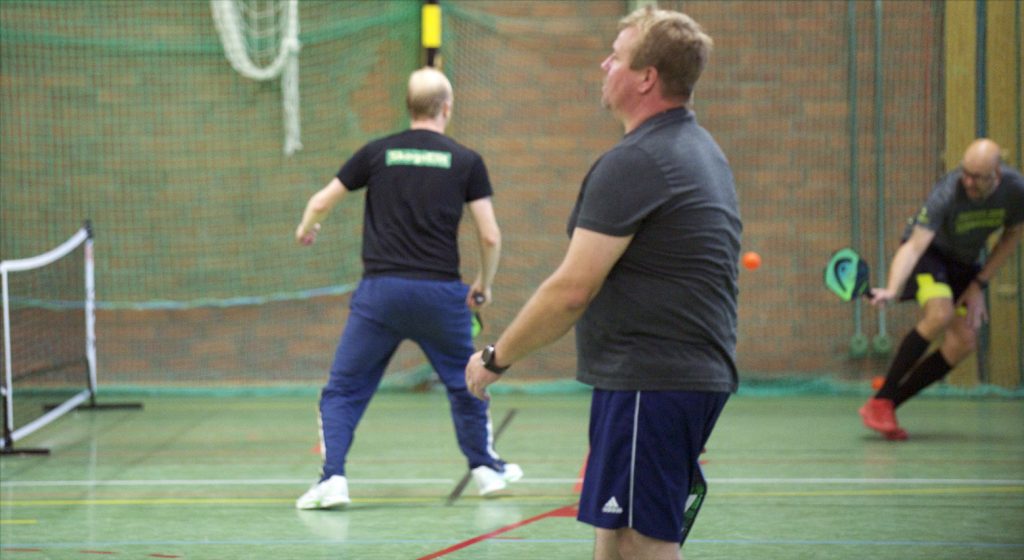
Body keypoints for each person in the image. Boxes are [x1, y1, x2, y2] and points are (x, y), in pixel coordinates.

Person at [465, 8, 740, 560]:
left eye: (616, 56)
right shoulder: (699, 148)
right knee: (613, 539)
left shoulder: (637, 161)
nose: (603, 64)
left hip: (653, 381)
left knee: (640, 542)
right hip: (668, 378)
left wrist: (497, 357)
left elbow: (572, 289)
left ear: (646, 78)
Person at [294, 67, 522, 510]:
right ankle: (486, 470)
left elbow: (320, 201)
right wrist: (484, 283)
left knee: (344, 389)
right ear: (447, 108)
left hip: (380, 295)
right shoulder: (466, 160)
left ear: (409, 106)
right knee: (468, 380)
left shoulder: (377, 153)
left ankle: (333, 479)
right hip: (441, 296)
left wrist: (307, 228)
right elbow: (490, 235)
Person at [860, 138, 1024, 440]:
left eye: (977, 177)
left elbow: (1011, 237)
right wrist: (892, 289)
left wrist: (978, 284)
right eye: (965, 173)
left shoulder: (1015, 192)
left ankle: (887, 403)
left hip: (964, 264)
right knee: (940, 313)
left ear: (997, 174)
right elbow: (913, 247)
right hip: (930, 255)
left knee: (964, 342)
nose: (968, 181)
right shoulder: (948, 192)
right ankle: (882, 400)